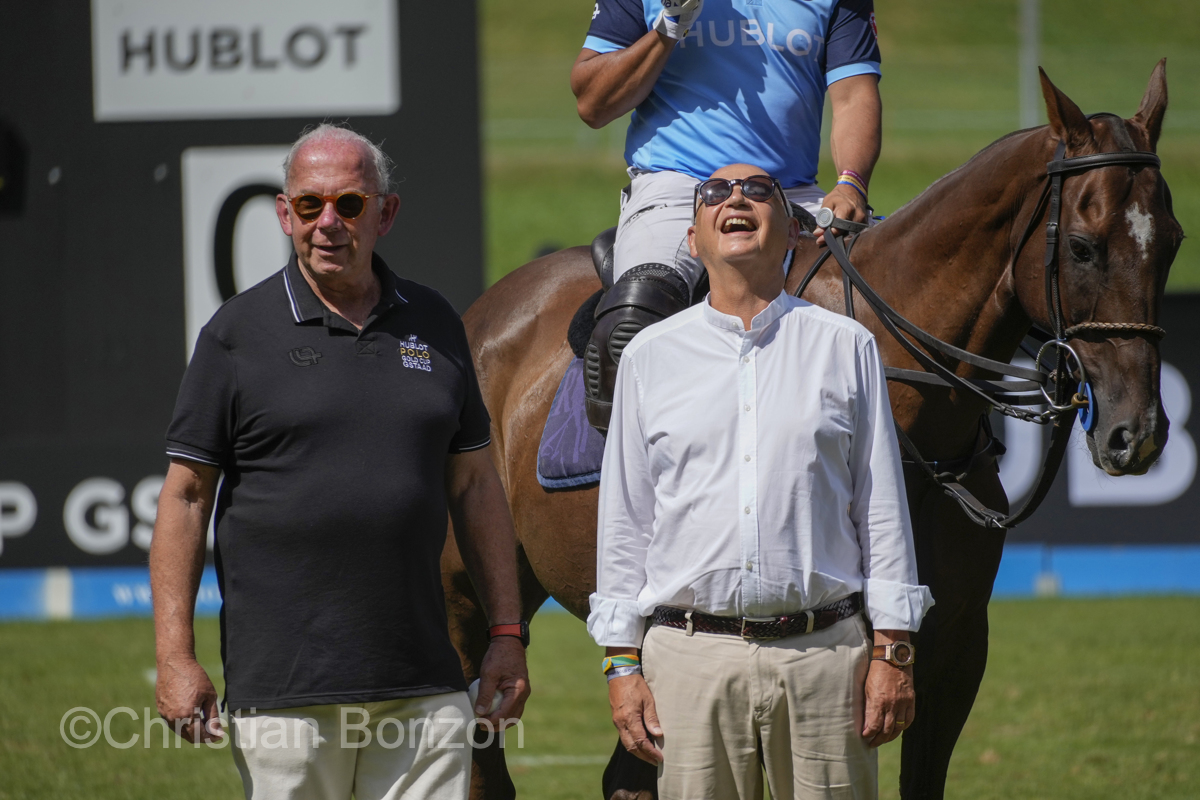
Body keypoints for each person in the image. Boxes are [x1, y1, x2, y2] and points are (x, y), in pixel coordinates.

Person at [150, 123, 530, 800]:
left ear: (385, 213)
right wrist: (174, 657)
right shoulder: (235, 335)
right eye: (309, 205)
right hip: (287, 690)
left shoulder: (435, 322)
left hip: (424, 681)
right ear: (283, 213)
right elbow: (184, 497)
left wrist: (505, 632)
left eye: (349, 205)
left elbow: (475, 485)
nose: (328, 223)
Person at [588, 163, 933, 799]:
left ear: (793, 230)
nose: (736, 199)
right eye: (715, 193)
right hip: (688, 662)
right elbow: (624, 526)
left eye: (757, 190)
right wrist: (619, 661)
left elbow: (881, 508)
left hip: (826, 661)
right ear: (691, 238)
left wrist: (893, 651)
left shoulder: (847, 346)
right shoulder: (647, 358)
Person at [572, 0, 884, 430]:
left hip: (789, 190)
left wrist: (851, 182)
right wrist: (668, 27)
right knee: (634, 314)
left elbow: (853, 97)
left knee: (884, 294)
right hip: (678, 184)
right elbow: (592, 102)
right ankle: (615, 477)